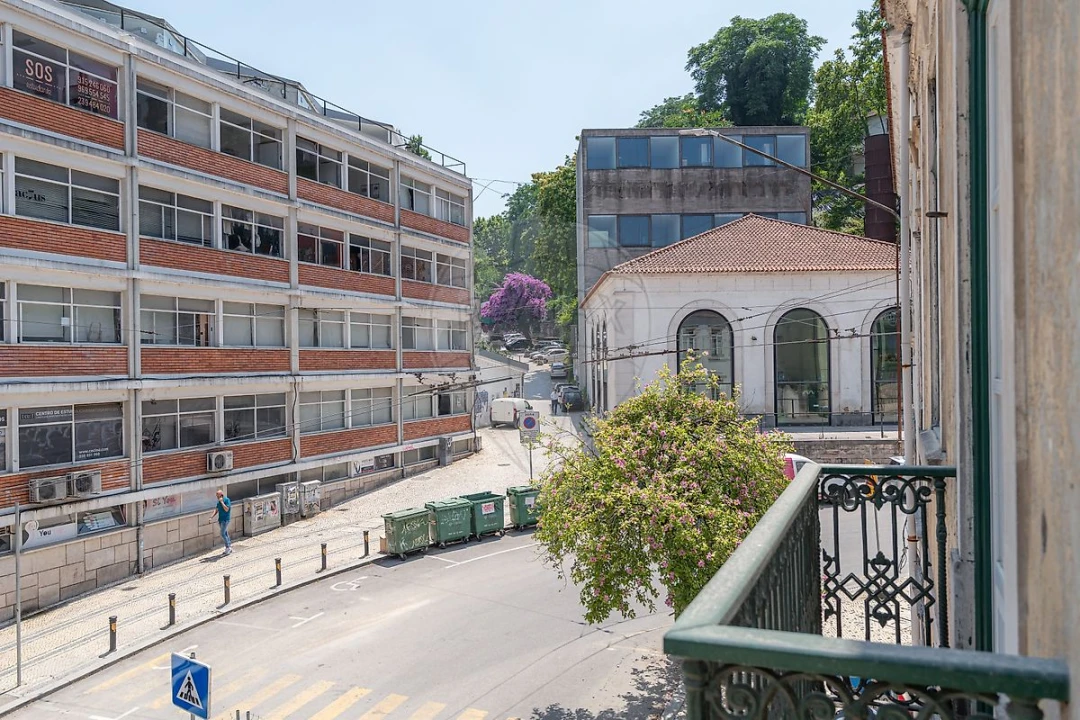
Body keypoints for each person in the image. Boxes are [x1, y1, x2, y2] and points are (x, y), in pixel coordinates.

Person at [215, 489, 232, 556]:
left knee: (222, 533)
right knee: (225, 533)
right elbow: (216, 510)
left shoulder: (226, 500)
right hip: (220, 519)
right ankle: (229, 547)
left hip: (225, 520)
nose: (217, 496)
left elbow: (227, 509)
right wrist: (211, 516)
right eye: (216, 495)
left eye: (217, 495)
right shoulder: (218, 502)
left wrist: (222, 502)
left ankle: (227, 547)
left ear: (221, 495)